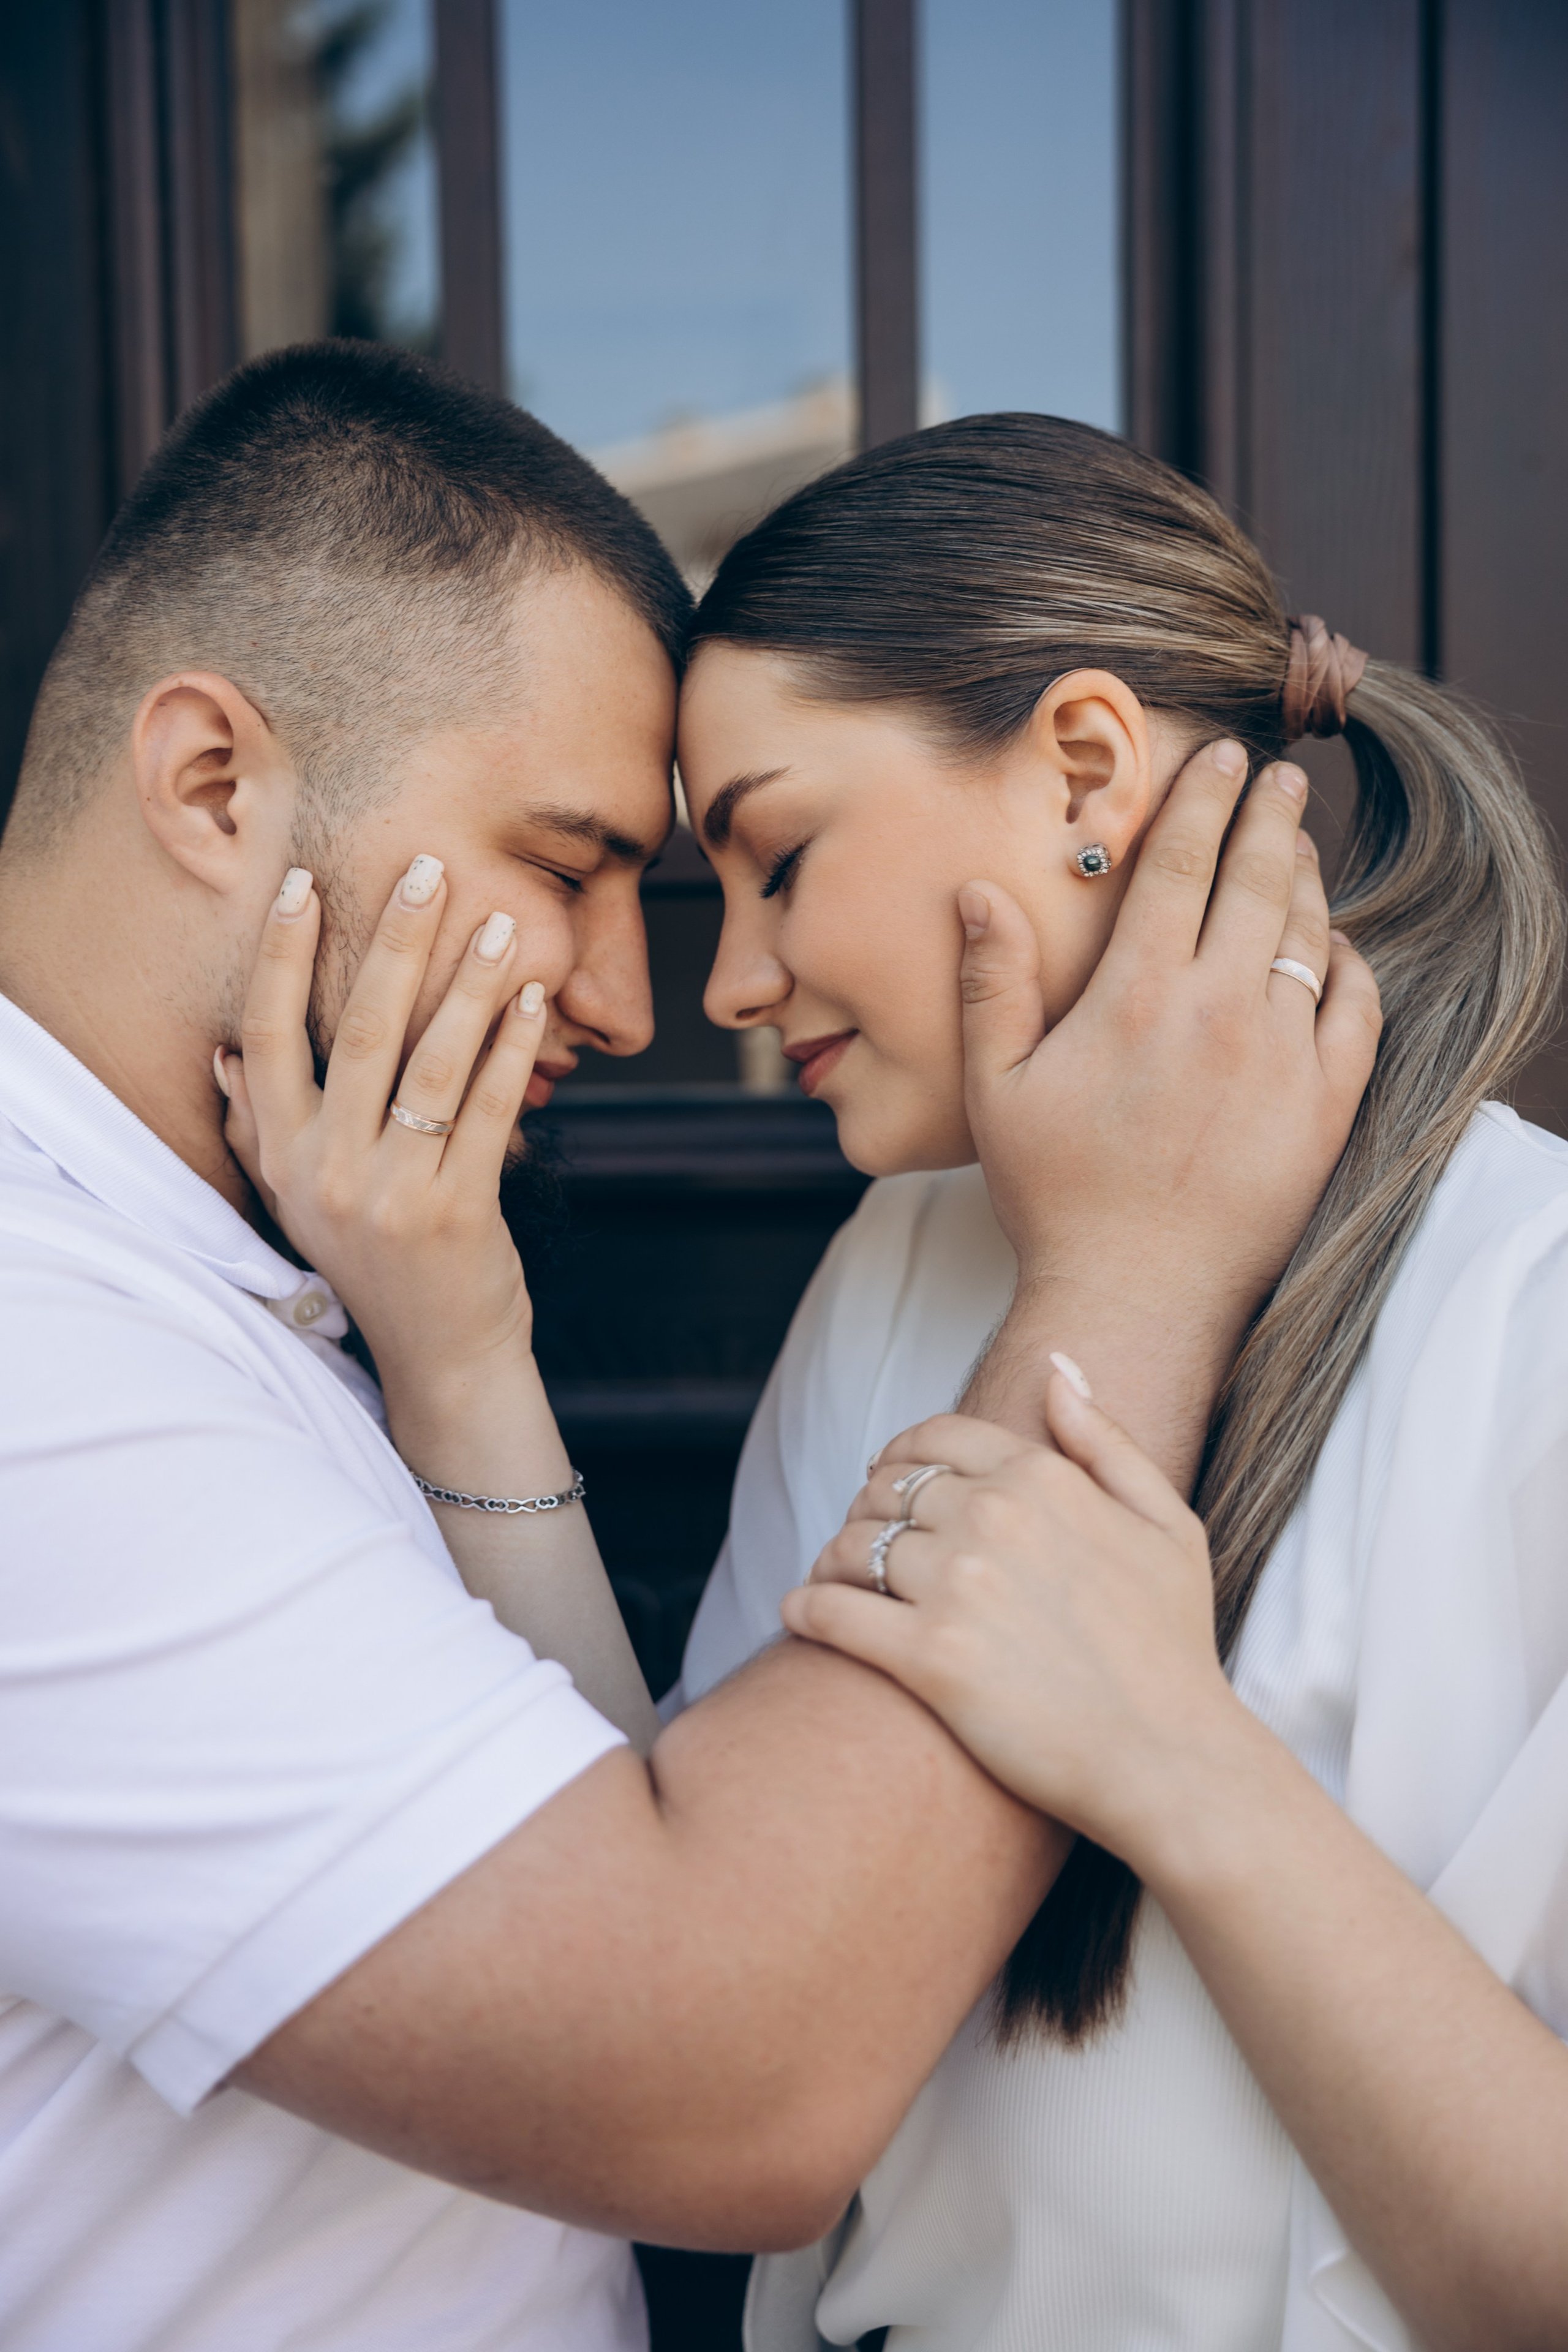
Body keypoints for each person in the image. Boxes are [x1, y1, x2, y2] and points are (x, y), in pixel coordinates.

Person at [0, 346, 1371, 2350]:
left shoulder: (219, 1265)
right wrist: (1136, 1277)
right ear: (214, 784)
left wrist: (452, 1343)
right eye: (566, 869)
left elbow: (597, 1835)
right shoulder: (44, 1364)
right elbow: (727, 2073)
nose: (641, 1003)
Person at [672, 412, 1566, 2352]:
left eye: (781, 856)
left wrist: (1170, 1752)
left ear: (1084, 762)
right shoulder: (894, 1273)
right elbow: (691, 1991)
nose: (727, 983)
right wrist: (470, 1359)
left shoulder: (1538, 1319)